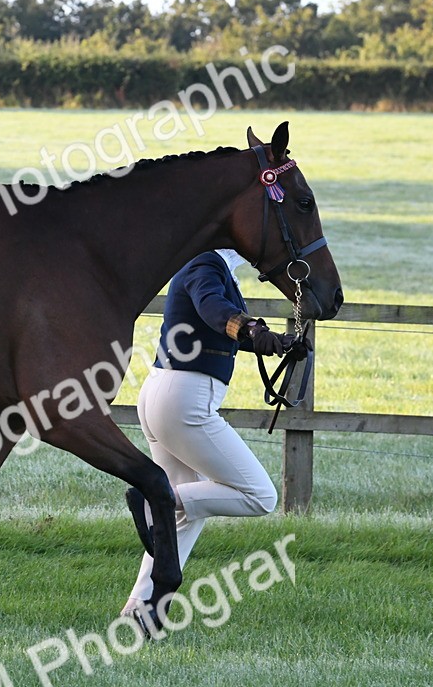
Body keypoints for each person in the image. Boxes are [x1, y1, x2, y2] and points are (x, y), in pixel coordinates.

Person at [121, 248, 297, 628]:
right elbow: (213, 308)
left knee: (184, 514)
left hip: (164, 392)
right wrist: (250, 328)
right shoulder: (205, 263)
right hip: (184, 398)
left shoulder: (207, 265)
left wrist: (275, 342)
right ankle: (152, 501)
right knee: (259, 496)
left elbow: (217, 325)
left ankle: (141, 609)